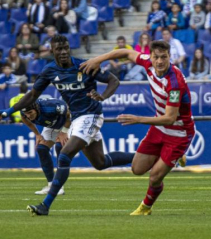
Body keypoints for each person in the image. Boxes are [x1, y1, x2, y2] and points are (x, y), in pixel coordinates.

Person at [0, 35, 135, 216]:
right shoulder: (49, 70)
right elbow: (32, 95)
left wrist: (103, 96)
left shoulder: (84, 65)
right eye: (59, 49)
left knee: (64, 155)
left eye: (66, 48)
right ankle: (150, 157)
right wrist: (8, 111)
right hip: (78, 118)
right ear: (53, 51)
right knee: (100, 163)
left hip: (91, 115)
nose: (63, 52)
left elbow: (114, 81)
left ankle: (45, 206)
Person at [79, 40, 195, 216]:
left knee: (155, 177)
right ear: (151, 57)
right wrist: (98, 59)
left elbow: (170, 118)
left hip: (179, 132)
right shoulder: (147, 63)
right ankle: (176, 157)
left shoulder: (174, 82)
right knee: (137, 169)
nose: (160, 61)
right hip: (160, 128)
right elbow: (125, 53)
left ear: (170, 57)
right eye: (156, 57)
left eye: (164, 57)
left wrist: (139, 119)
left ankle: (145, 207)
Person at [20, 98, 71, 195]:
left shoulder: (50, 108)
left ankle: (58, 186)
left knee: (60, 146)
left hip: (69, 122)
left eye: (30, 112)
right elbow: (24, 118)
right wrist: (37, 134)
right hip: (54, 124)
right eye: (26, 113)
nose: (28, 115)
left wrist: (63, 132)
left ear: (37, 109)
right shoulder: (25, 112)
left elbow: (69, 114)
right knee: (41, 148)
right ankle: (51, 185)